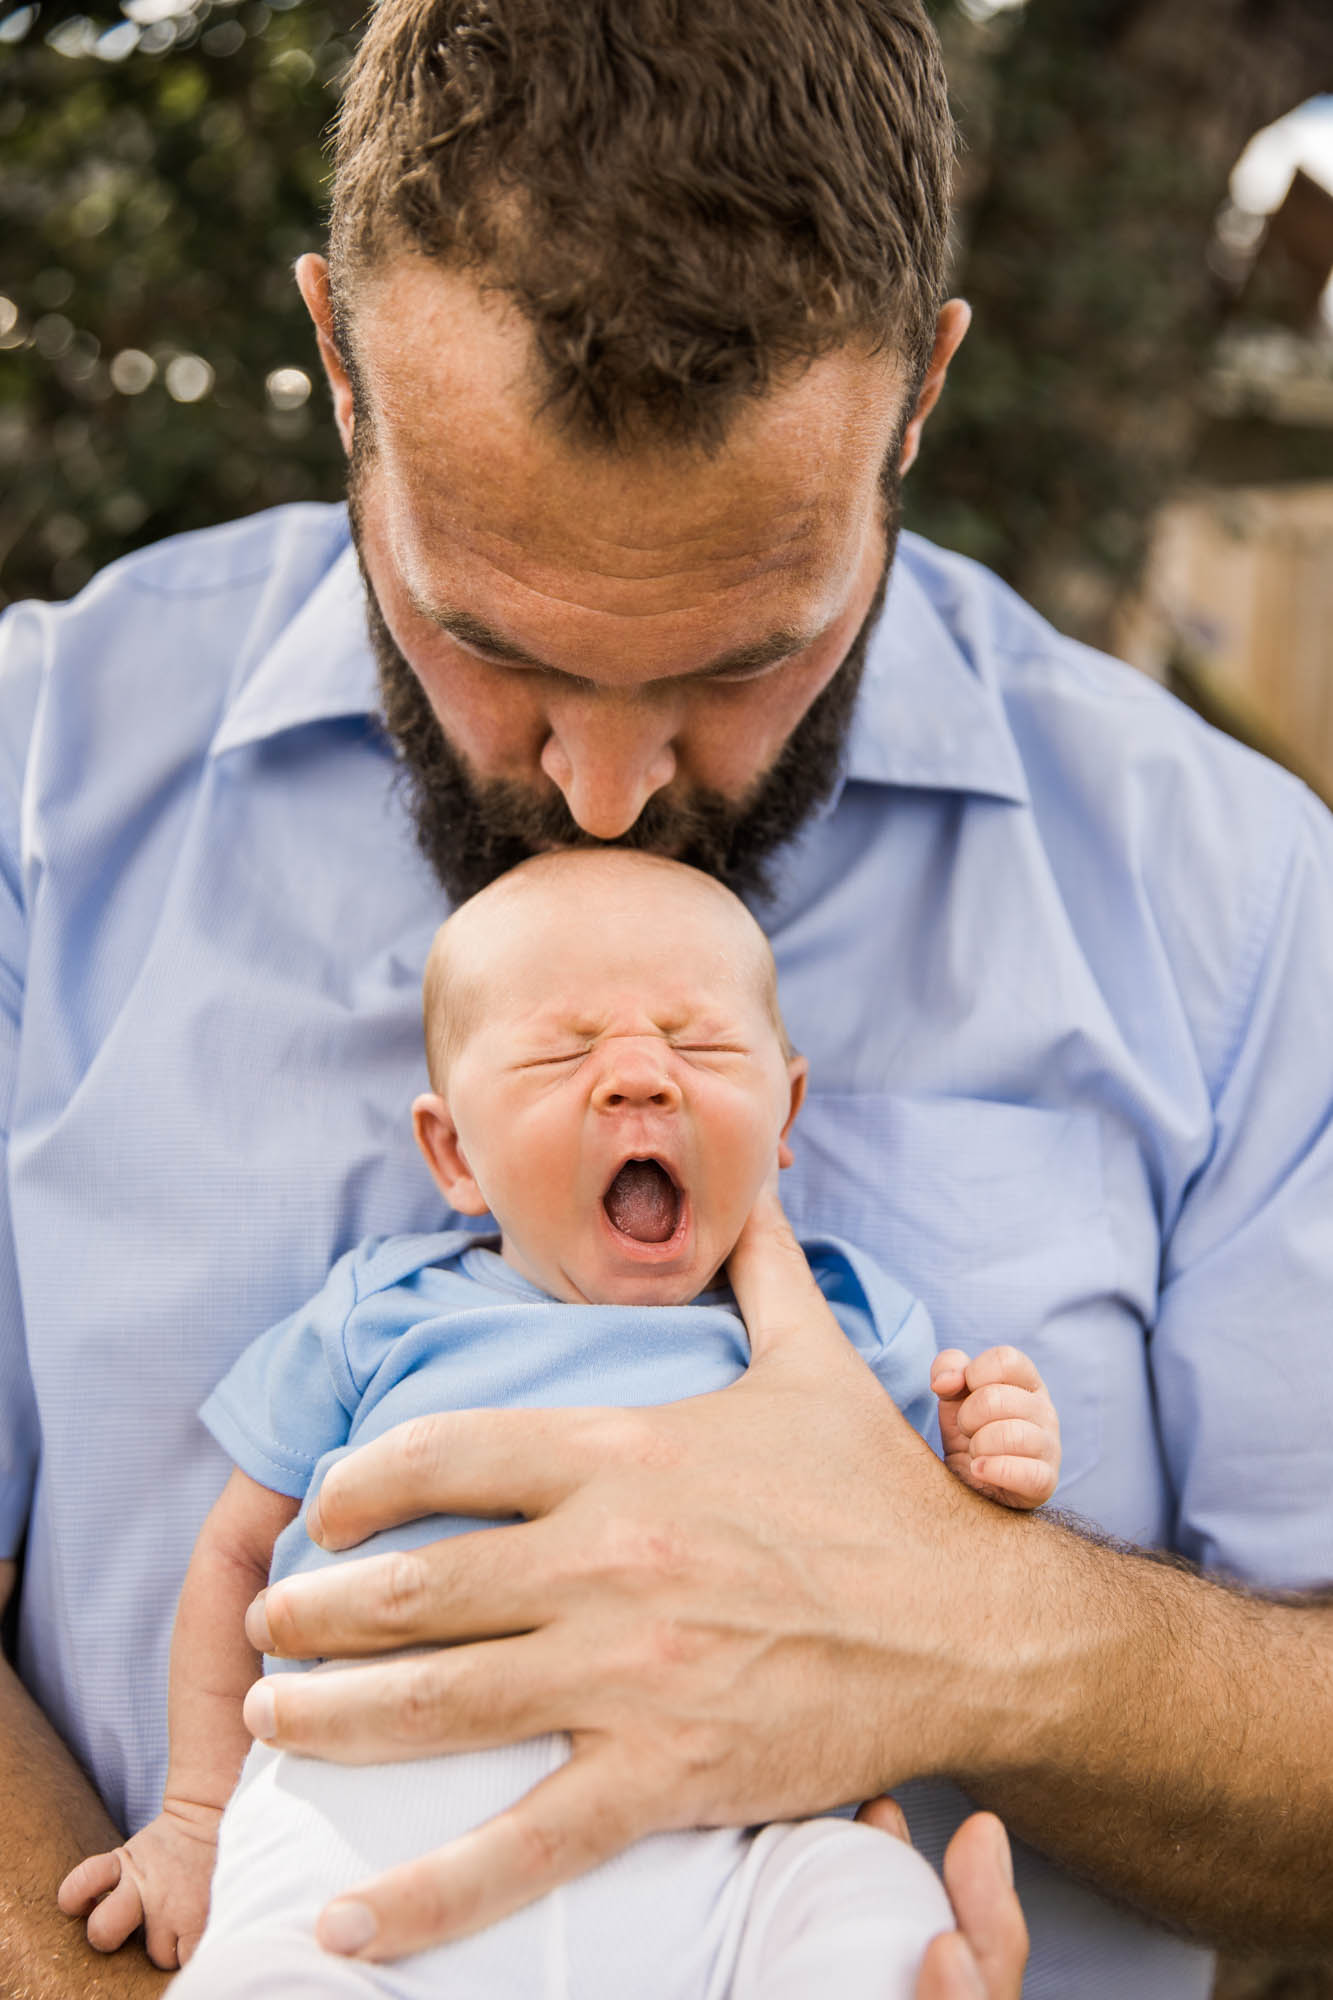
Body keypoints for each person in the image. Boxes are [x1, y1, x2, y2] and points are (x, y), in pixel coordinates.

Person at [0, 3, 1329, 1997]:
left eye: (745, 657)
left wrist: (979, 1627)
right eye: (488, 639)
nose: (607, 794)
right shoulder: (28, 785)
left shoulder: (1240, 900)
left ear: (917, 397)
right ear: (339, 365)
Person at [57, 848, 1061, 1995]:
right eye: (560, 1049)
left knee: (864, 1900)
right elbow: (238, 1546)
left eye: (700, 1041)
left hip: (731, 1834)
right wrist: (198, 1816)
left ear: (786, 1110)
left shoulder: (844, 1326)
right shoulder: (381, 1310)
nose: (640, 1077)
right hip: (366, 1806)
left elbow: (922, 1541)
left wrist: (988, 1455)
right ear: (452, 1152)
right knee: (268, 1966)